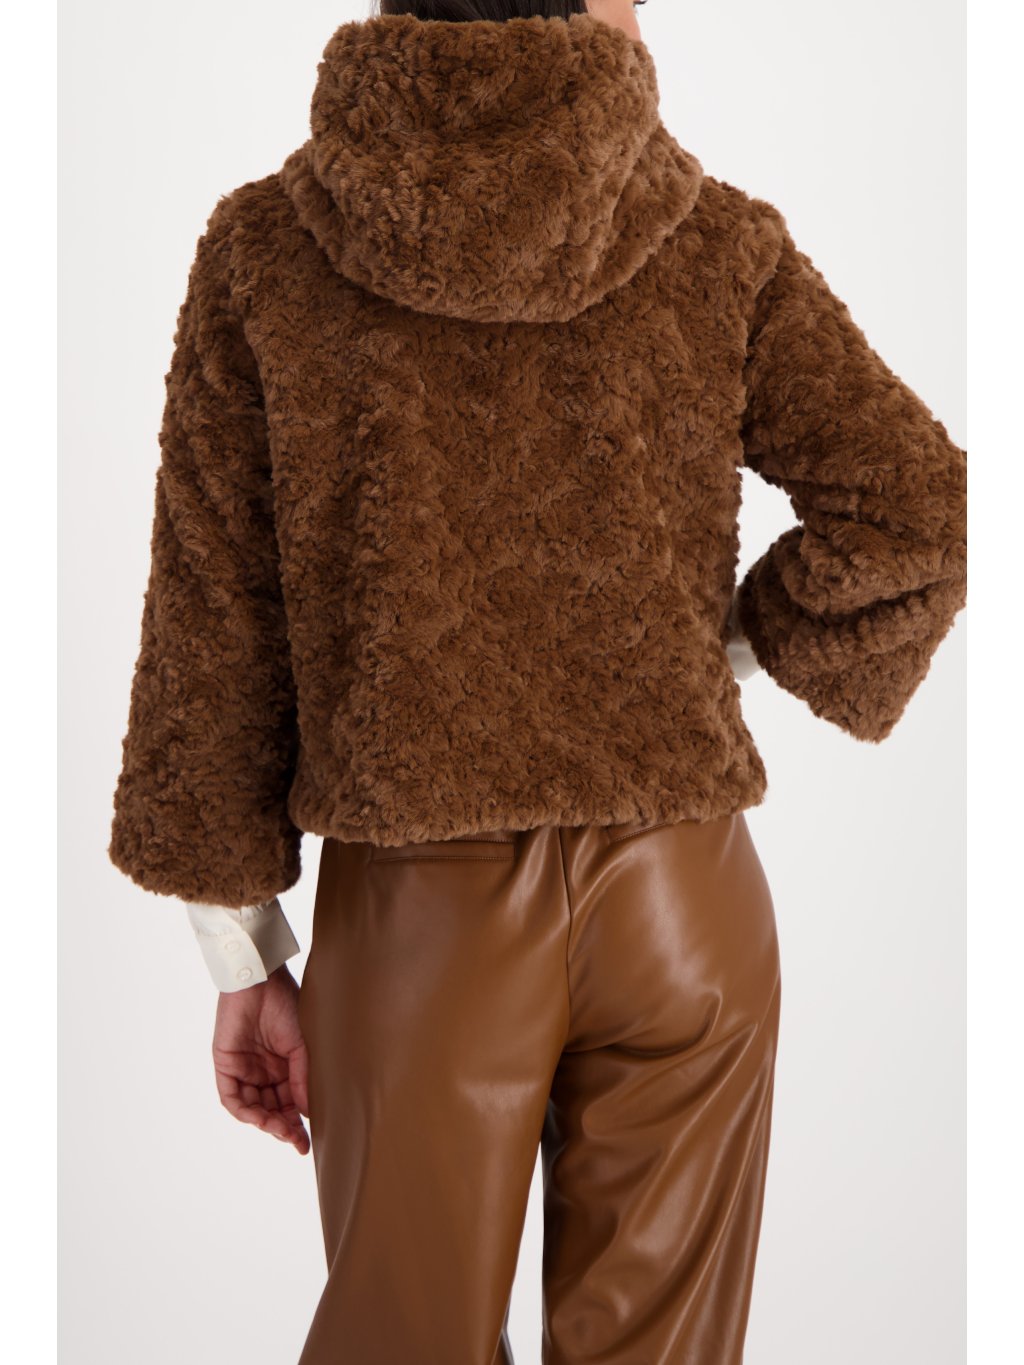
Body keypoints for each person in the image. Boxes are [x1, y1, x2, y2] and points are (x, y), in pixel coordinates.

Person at [107, 1, 967, 1360]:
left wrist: (242, 947)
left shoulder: (264, 249)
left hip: (421, 922)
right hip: (681, 902)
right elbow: (918, 513)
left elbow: (212, 623)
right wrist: (703, 654)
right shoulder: (715, 238)